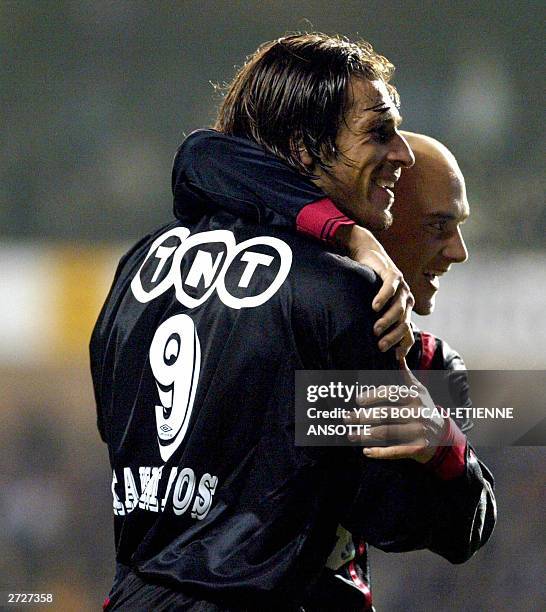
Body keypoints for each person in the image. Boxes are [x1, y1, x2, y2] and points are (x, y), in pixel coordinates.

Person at [91, 34, 494, 611]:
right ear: (305, 148)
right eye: (436, 225)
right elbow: (396, 515)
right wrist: (447, 449)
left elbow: (201, 156)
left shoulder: (138, 263)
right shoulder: (346, 297)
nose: (399, 156)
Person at [174, 129, 496, 610]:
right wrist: (351, 235)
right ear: (382, 220)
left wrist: (443, 447)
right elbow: (200, 156)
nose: (458, 250)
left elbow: (457, 530)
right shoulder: (269, 315)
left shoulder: (430, 364)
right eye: (438, 226)